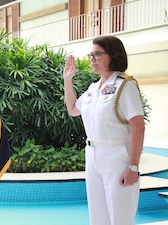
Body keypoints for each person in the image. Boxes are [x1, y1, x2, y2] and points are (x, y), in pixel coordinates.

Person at [63, 35, 145, 225]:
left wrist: (133, 166)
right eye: (91, 54)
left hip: (117, 158)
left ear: (114, 55)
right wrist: (68, 80)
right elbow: (73, 109)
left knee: (120, 218)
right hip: (93, 156)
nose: (92, 59)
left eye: (98, 54)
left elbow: (138, 127)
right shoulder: (94, 88)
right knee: (98, 218)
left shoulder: (125, 86)